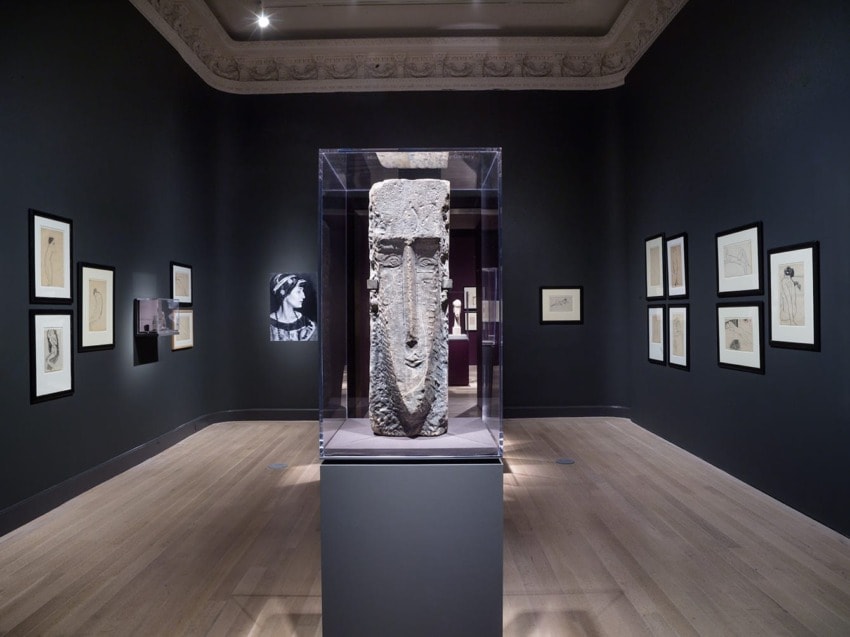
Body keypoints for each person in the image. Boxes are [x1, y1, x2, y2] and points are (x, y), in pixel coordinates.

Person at [270, 274, 317, 341]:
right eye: (298, 292)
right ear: (284, 293)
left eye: (302, 291)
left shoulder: (308, 324)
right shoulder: (269, 324)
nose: (303, 296)